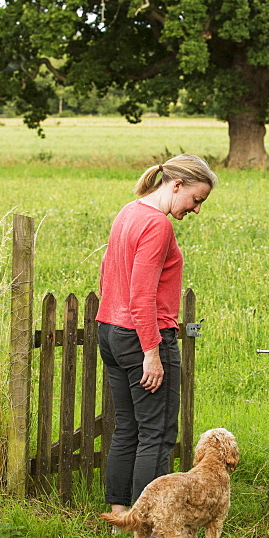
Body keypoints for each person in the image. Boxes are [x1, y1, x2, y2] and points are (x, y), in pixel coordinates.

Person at [96, 153, 217, 515]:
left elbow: (107, 272)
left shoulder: (128, 212)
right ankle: (148, 519)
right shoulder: (157, 225)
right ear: (176, 185)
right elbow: (142, 294)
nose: (196, 210)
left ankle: (120, 513)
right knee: (158, 433)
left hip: (111, 331)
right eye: (196, 200)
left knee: (127, 428)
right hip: (143, 337)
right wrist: (152, 351)